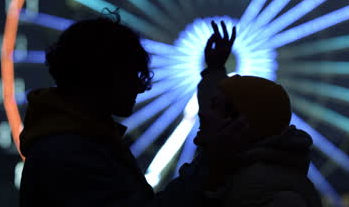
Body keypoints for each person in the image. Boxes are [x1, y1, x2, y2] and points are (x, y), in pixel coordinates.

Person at [19, 12, 243, 207]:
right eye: (131, 75)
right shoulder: (71, 152)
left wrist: (214, 72)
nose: (140, 87)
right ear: (101, 76)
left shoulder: (72, 140)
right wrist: (210, 162)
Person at [196, 21, 322, 207]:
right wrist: (213, 70)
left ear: (239, 124)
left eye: (214, 107)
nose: (203, 114)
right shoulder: (240, 172)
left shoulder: (274, 197)